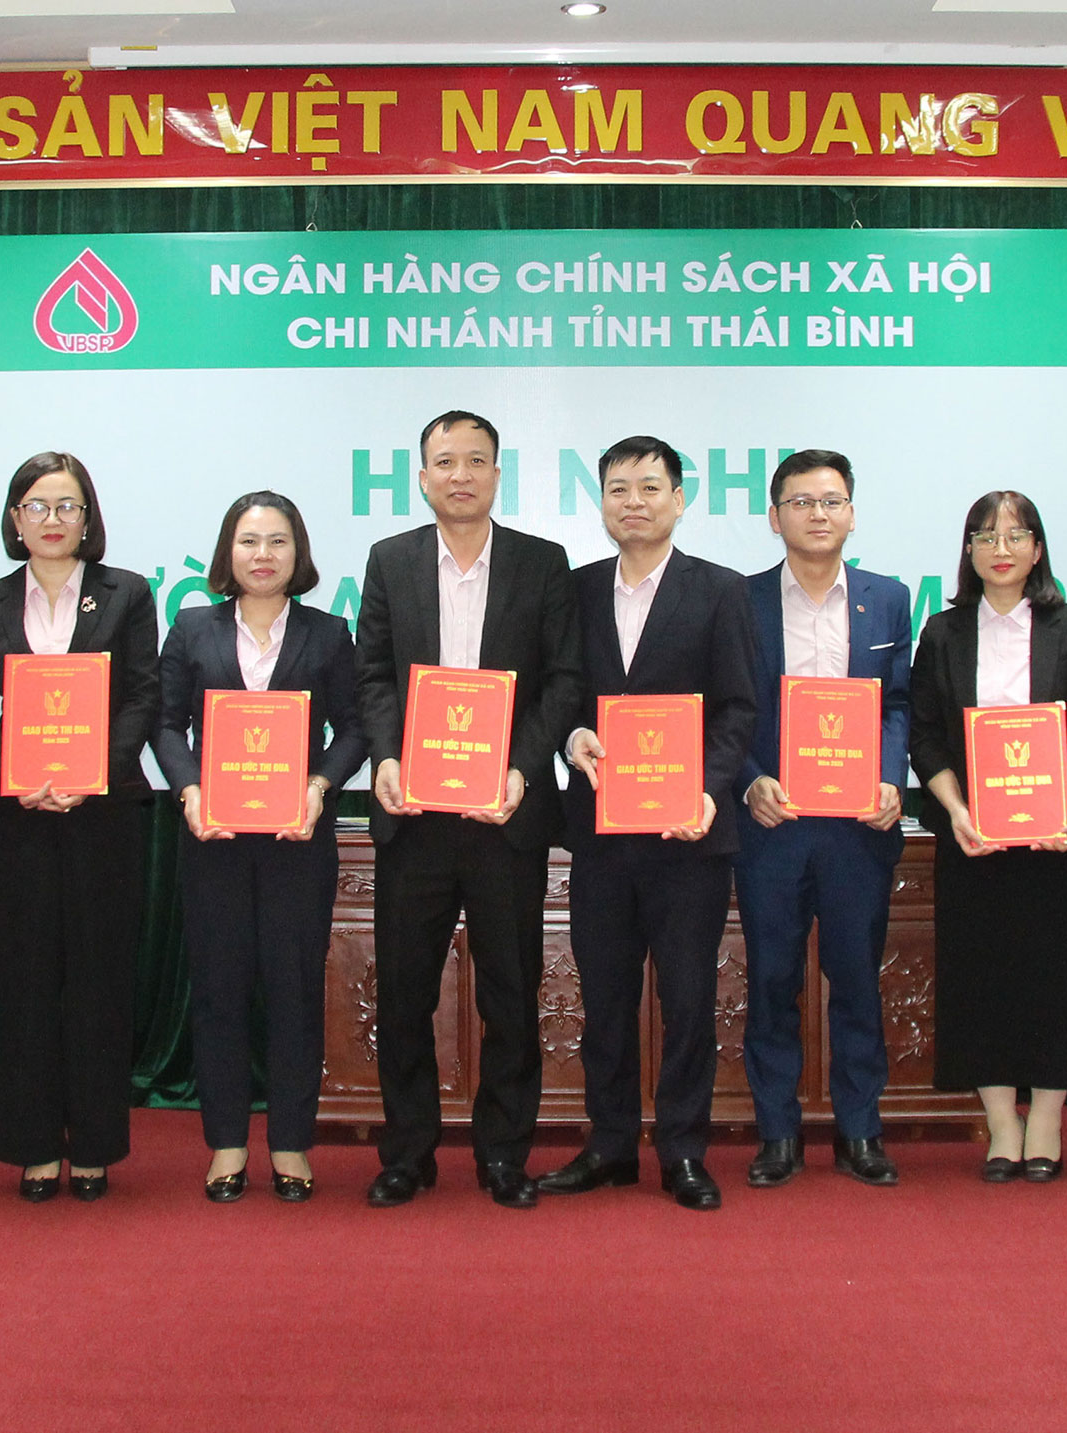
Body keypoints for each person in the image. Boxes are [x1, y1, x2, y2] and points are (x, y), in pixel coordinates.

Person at [354, 409, 584, 1209]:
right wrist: (387, 755)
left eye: (476, 460)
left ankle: (503, 1154)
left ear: (497, 475)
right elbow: (373, 676)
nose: (461, 474)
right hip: (414, 818)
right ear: (422, 477)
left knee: (510, 995)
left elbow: (563, 679)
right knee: (403, 993)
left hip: (505, 817)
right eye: (446, 461)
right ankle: (407, 1152)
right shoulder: (390, 560)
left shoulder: (541, 562)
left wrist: (521, 767)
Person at [545, 437, 757, 1212]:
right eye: (618, 488)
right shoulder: (574, 589)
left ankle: (682, 1148)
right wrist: (572, 735)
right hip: (600, 833)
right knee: (604, 997)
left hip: (687, 836)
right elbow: (559, 693)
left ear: (678, 499)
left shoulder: (720, 590)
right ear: (601, 501)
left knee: (689, 998)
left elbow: (738, 707)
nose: (633, 501)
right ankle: (608, 1144)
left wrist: (707, 788)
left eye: (649, 487)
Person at [0, 451, 159, 1203]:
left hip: (104, 815)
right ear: (15, 519)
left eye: (67, 506)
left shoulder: (127, 593)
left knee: (99, 982)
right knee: (27, 980)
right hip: (21, 816)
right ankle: (34, 1146)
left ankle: (97, 1145)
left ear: (87, 517)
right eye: (37, 506)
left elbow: (142, 696)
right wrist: (16, 775)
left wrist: (92, 772)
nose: (52, 519)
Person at [152, 492, 364, 1204]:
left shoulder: (329, 633)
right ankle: (227, 1144)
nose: (263, 554)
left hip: (296, 841)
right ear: (228, 552)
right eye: (249, 541)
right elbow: (166, 725)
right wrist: (189, 789)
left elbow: (354, 728)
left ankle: (292, 1142)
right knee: (219, 991)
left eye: (278, 541)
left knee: (295, 990)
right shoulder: (191, 628)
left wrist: (319, 786)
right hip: (212, 840)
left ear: (298, 553)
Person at [908, 490, 1067, 1183]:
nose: (1001, 549)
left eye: (1015, 535)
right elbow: (925, 736)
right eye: (986, 536)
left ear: (1037, 549)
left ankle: (1048, 1119)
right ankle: (1002, 1122)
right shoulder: (943, 632)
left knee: (1060, 974)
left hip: (1058, 839)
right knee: (983, 977)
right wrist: (955, 809)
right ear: (968, 551)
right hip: (976, 837)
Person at [735, 449, 911, 1191]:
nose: (817, 514)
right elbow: (729, 709)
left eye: (831, 501)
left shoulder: (887, 598)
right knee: (772, 981)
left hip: (855, 829)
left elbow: (897, 703)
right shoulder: (740, 600)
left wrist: (890, 777)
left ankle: (859, 1130)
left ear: (852, 514)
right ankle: (777, 1133)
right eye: (801, 502)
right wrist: (749, 781)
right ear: (774, 518)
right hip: (772, 827)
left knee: (857, 981)